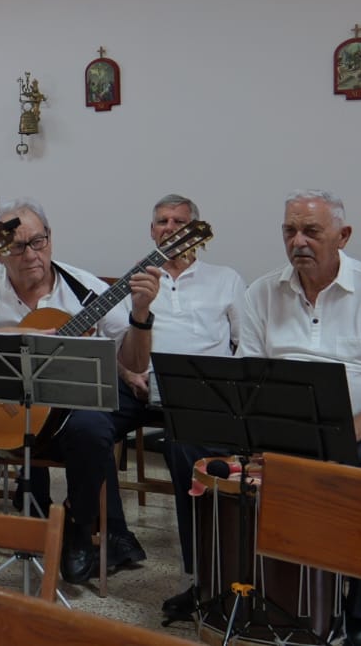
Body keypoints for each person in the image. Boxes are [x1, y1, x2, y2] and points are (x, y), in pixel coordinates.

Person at [0, 198, 156, 583]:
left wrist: (140, 315)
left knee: (93, 431)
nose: (30, 254)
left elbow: (136, 364)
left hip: (60, 420)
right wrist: (18, 335)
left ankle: (76, 524)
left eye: (38, 241)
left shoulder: (85, 289)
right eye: (18, 246)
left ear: (50, 239)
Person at [222, 191, 361, 646]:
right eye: (290, 230)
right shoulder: (262, 292)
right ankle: (223, 587)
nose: (298, 241)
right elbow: (246, 377)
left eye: (311, 231)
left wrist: (342, 436)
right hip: (283, 425)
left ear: (343, 236)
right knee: (197, 450)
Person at [99, 196, 244, 621]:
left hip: (200, 392)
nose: (170, 227)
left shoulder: (226, 279)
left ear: (197, 230)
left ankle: (197, 574)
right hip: (141, 384)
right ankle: (114, 537)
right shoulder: (135, 280)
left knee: (185, 449)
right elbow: (118, 350)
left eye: (180, 221)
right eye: (162, 221)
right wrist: (130, 372)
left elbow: (246, 344)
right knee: (86, 425)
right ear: (152, 231)